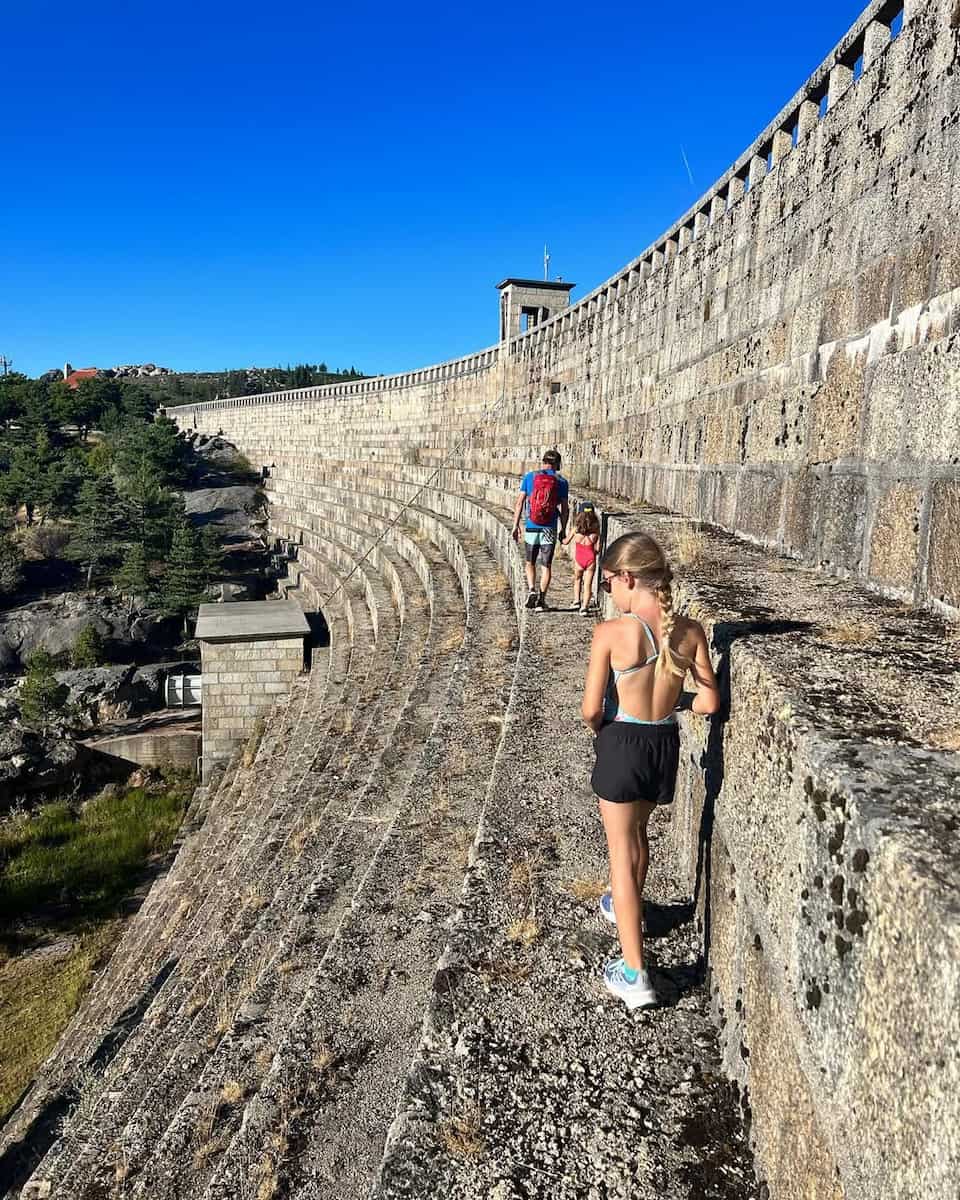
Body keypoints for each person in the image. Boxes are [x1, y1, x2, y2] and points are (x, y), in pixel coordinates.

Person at [580, 531, 720, 1009]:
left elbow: (589, 709)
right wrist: (671, 699)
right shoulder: (689, 631)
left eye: (608, 584)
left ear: (627, 578)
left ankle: (634, 972)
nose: (608, 594)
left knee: (620, 852)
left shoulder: (611, 634)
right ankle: (629, 911)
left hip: (623, 740)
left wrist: (605, 726)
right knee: (639, 836)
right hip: (663, 742)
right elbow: (708, 701)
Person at [511, 450, 569, 612]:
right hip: (549, 527)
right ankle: (541, 601)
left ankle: (531, 589)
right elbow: (565, 509)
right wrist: (563, 529)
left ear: (543, 461)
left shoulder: (530, 477)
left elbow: (520, 502)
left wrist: (516, 525)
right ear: (558, 464)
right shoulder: (561, 482)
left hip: (531, 524)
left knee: (530, 561)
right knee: (546, 565)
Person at [562, 508, 601, 616]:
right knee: (588, 585)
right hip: (590, 559)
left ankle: (576, 601)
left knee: (577, 580)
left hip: (579, 559)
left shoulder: (575, 530)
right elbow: (598, 549)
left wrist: (561, 539)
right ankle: (584, 607)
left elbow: (565, 542)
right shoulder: (595, 531)